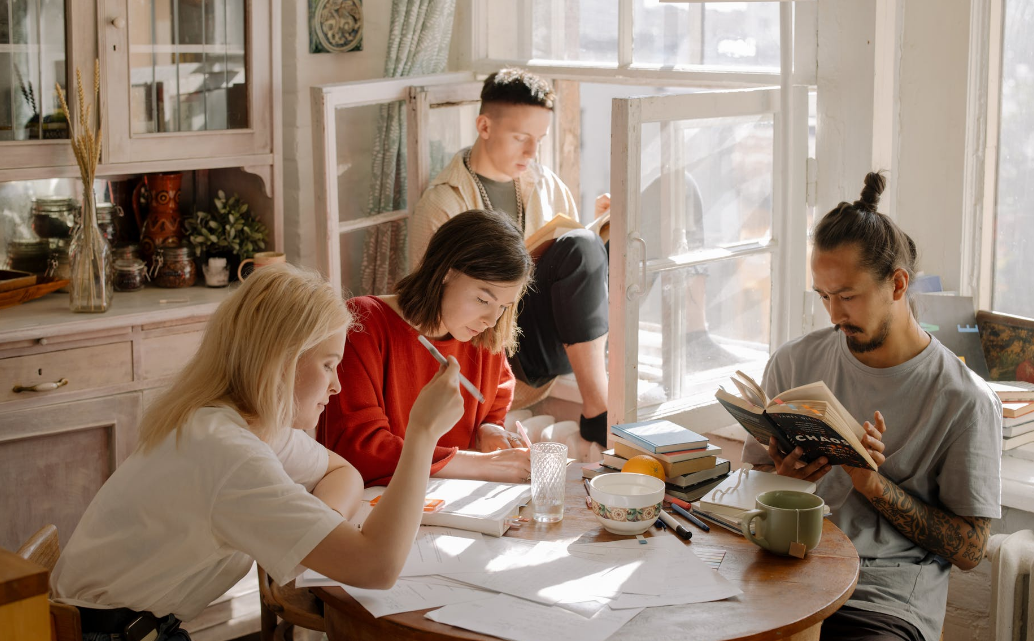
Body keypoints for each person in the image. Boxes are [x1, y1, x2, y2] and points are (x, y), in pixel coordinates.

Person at [51, 264, 465, 641]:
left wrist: (322, 526)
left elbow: (343, 471)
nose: (336, 386)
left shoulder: (238, 421)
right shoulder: (227, 453)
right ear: (280, 361)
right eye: (327, 365)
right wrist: (422, 433)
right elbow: (377, 568)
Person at [741, 172, 1001, 641]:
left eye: (847, 296)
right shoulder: (794, 361)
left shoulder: (966, 400)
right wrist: (784, 480)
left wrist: (872, 485)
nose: (835, 315)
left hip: (881, 599)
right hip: (787, 570)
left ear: (897, 284)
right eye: (823, 296)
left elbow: (971, 550)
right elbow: (750, 489)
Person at [408, 68, 611, 447]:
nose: (532, 152)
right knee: (581, 247)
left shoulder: (547, 183)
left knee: (618, 228)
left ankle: (605, 383)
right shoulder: (444, 202)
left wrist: (602, 228)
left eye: (539, 139)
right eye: (520, 137)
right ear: (484, 126)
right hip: (499, 349)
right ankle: (599, 411)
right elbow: (431, 311)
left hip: (555, 340)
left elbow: (573, 273)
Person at [320, 210, 535, 486]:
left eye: (503, 307)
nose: (492, 320)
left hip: (455, 501)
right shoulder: (364, 323)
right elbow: (360, 449)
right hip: (377, 503)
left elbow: (495, 399)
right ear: (446, 273)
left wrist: (488, 429)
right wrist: (483, 465)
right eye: (483, 300)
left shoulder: (481, 333)